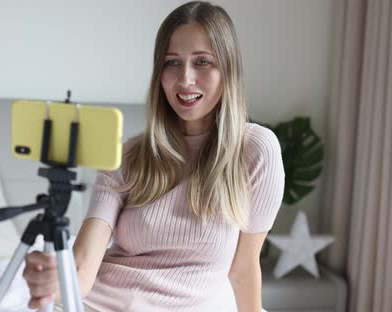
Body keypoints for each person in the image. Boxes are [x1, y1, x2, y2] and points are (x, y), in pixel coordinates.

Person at [22, 1, 284, 311]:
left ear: (228, 69)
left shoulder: (255, 150)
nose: (185, 79)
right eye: (172, 62)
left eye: (202, 62)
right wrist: (54, 282)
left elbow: (242, 271)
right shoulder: (129, 155)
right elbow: (83, 266)